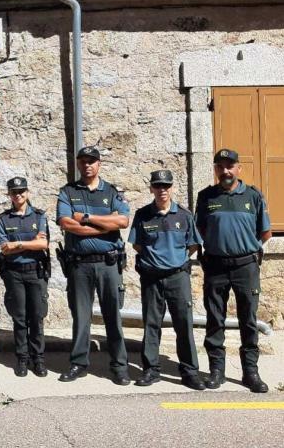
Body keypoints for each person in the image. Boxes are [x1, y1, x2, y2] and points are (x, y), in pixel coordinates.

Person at [195, 148, 272, 393]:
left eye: (230, 166)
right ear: (216, 169)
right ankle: (216, 371)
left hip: (245, 267)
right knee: (214, 319)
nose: (225, 171)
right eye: (220, 166)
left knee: (248, 320)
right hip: (215, 266)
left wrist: (246, 248)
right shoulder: (206, 197)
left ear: (239, 168)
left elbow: (265, 232)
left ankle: (251, 372)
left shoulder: (253, 196)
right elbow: (200, 230)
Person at [56, 146, 130, 385]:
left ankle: (119, 366)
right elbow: (66, 223)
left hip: (108, 264)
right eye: (83, 161)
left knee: (113, 317)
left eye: (92, 161)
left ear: (99, 164)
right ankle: (79, 363)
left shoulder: (112, 192)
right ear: (78, 164)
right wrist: (104, 227)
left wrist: (86, 219)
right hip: (80, 265)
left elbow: (122, 221)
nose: (87, 165)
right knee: (81, 317)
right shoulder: (68, 192)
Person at [130, 169, 205, 390]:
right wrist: (155, 262)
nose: (162, 190)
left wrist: (174, 261)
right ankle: (151, 370)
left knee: (184, 325)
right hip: (152, 278)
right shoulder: (143, 215)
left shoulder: (184, 215)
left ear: (172, 188)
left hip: (177, 277)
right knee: (151, 324)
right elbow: (137, 244)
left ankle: (189, 372)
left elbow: (193, 245)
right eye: (158, 186)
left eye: (166, 186)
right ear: (151, 188)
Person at [0, 176, 50, 378]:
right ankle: (22, 358)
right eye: (14, 192)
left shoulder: (39, 216)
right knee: (19, 318)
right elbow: (4, 249)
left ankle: (38, 359)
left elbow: (43, 244)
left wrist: (17, 244)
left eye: (21, 191)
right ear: (9, 194)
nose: (18, 195)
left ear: (27, 193)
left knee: (36, 317)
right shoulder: (4, 219)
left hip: (35, 272)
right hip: (14, 273)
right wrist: (30, 243)